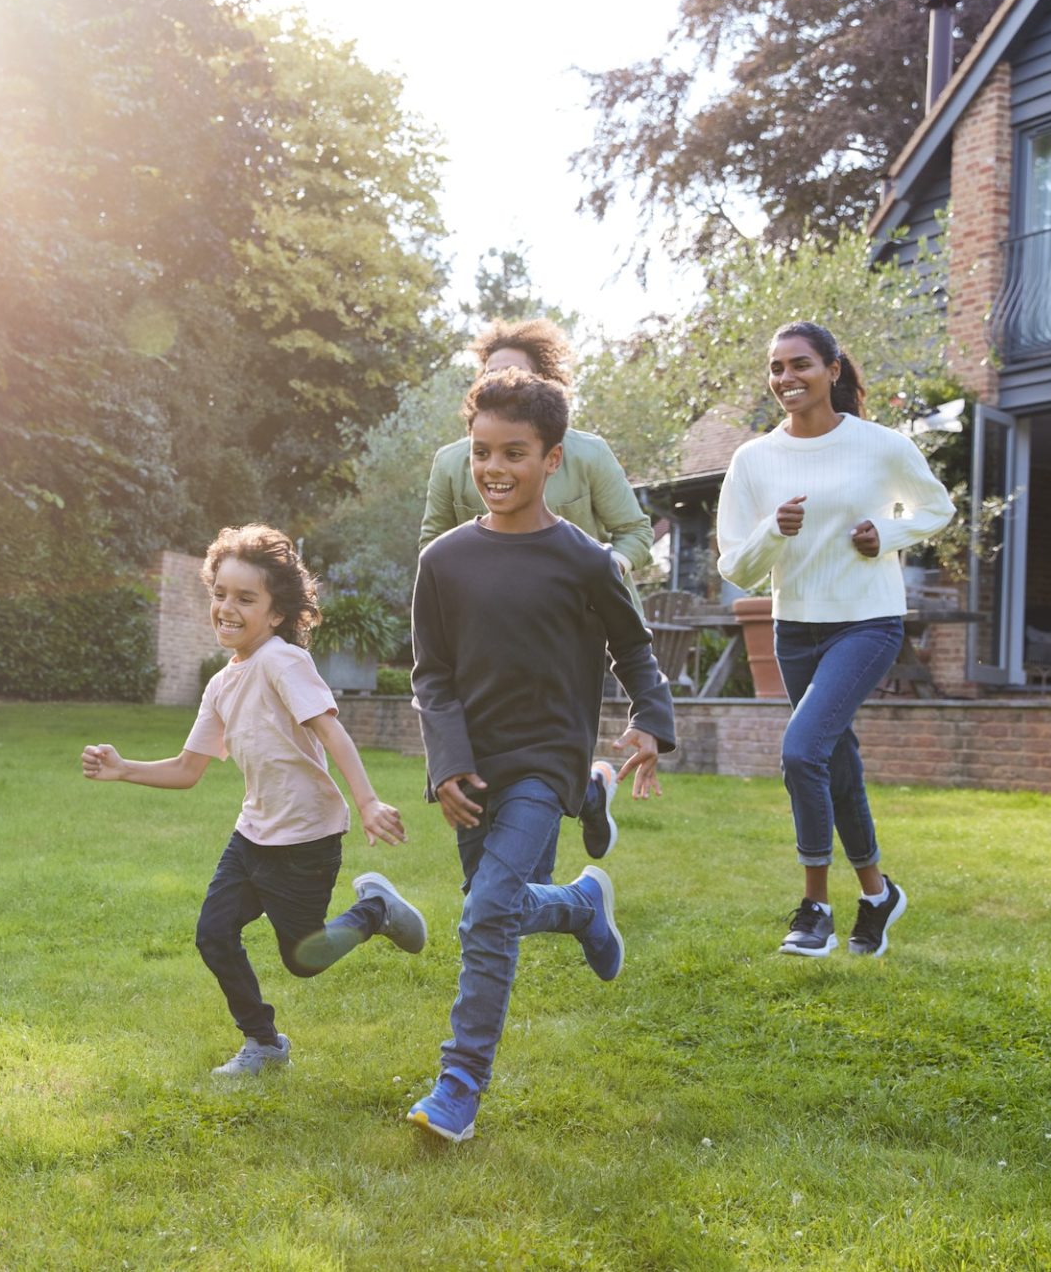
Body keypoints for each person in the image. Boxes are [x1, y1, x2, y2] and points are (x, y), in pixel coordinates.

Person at [406, 369, 674, 1143]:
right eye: (482, 451)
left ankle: (458, 1087)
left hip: (545, 755)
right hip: (474, 762)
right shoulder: (444, 563)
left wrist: (650, 722)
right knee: (495, 906)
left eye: (514, 453)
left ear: (553, 458)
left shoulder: (587, 560)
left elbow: (633, 646)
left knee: (486, 910)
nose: (494, 468)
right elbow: (433, 674)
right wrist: (447, 764)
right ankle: (582, 903)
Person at [81, 524, 429, 1078]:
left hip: (305, 840)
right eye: (220, 594)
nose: (227, 607)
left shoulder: (282, 661)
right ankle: (263, 1044)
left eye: (245, 598)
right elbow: (187, 769)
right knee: (213, 934)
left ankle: (376, 911)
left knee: (303, 959)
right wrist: (124, 770)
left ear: (275, 613)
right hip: (253, 835)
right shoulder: (222, 683)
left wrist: (367, 803)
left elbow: (331, 732)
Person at [716, 321, 955, 959]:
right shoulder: (753, 459)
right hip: (794, 627)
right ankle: (877, 894)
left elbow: (936, 508)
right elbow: (736, 564)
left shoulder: (880, 445)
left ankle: (815, 905)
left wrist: (887, 529)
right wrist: (773, 530)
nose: (786, 379)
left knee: (801, 751)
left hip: (867, 620)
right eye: (776, 368)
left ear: (833, 370)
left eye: (800, 365)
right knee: (836, 760)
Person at [420, 317, 655, 870]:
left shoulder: (587, 456)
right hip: (487, 651)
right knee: (503, 888)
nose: (494, 466)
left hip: (570, 632)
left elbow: (635, 534)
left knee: (506, 875)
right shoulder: (455, 463)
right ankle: (585, 823)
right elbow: (434, 542)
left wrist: (601, 571)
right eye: (491, 373)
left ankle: (574, 784)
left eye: (515, 374)